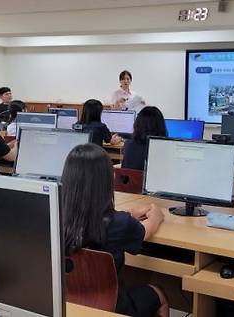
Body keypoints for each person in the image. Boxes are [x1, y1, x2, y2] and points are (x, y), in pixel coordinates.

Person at [62, 143, 169, 317]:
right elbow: (147, 230)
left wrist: (129, 213)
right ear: (106, 180)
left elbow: (93, 216)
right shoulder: (120, 224)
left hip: (69, 303)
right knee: (159, 293)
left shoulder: (58, 217)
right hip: (113, 308)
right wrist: (155, 212)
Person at [122, 106, 167, 171]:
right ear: (160, 126)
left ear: (137, 124)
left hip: (131, 180)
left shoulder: (128, 144)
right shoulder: (162, 149)